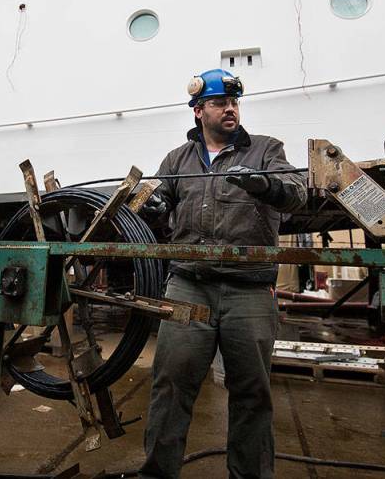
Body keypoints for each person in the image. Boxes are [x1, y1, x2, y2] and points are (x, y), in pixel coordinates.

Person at [139, 68, 308, 479]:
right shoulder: (177, 160)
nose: (230, 109)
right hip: (188, 285)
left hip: (249, 289)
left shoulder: (266, 150)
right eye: (219, 103)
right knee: (171, 385)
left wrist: (264, 185)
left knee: (251, 393)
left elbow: (297, 193)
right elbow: (153, 199)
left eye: (234, 102)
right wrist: (152, 207)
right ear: (199, 111)